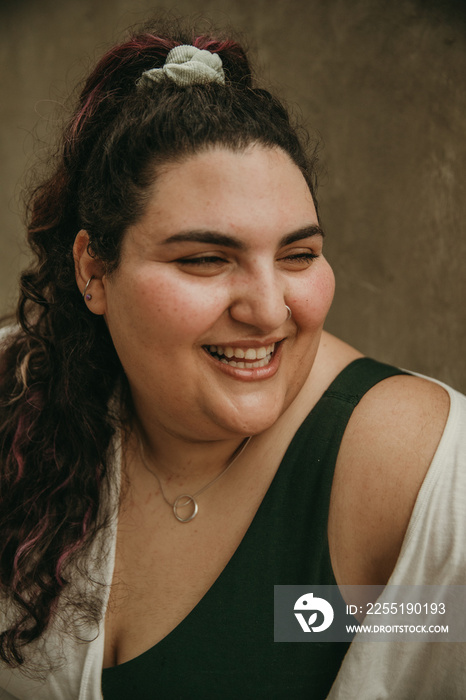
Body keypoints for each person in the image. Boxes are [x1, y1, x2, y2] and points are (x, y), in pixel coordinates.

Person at [0, 20, 465, 700]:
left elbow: (422, 636)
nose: (270, 309)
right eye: (206, 260)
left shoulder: (416, 466)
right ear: (94, 271)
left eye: (299, 255)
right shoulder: (20, 385)